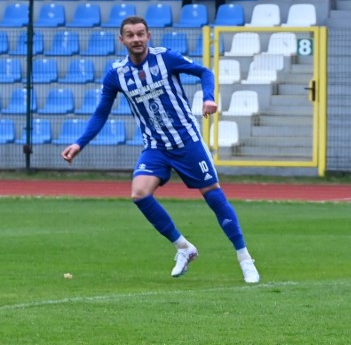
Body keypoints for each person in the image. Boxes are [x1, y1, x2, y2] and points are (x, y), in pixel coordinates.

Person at [60, 16, 260, 284]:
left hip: (187, 141)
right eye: (130, 35)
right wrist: (78, 143)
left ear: (148, 35)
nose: (136, 39)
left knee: (213, 196)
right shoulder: (116, 74)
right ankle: (184, 248)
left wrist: (209, 98)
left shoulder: (165, 58)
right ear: (122, 40)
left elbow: (204, 72)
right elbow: (101, 113)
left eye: (140, 34)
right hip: (155, 146)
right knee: (139, 194)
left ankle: (245, 258)